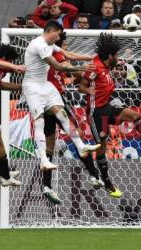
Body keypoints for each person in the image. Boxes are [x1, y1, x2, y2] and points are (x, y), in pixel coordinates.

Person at [78, 33, 141, 198]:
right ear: (110, 56)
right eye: (117, 55)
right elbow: (81, 86)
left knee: (136, 116)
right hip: (95, 112)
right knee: (101, 146)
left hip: (107, 107)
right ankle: (107, 182)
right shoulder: (95, 68)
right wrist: (88, 90)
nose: (118, 58)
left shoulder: (107, 67)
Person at [22, 20, 100, 173]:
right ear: (51, 31)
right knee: (39, 121)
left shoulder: (50, 43)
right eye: (57, 35)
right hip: (32, 87)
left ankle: (81, 146)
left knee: (62, 114)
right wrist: (81, 67)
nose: (58, 38)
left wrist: (89, 58)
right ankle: (44, 160)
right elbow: (57, 66)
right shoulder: (39, 45)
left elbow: (67, 54)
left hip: (45, 85)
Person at [42, 32, 103, 204]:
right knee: (77, 137)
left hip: (43, 103)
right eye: (66, 45)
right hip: (57, 100)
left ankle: (46, 185)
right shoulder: (57, 54)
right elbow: (67, 64)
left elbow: (71, 74)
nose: (67, 48)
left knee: (49, 144)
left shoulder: (45, 56)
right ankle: (94, 175)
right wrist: (85, 69)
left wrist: (76, 77)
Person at [0, 45, 25, 186]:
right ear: (5, 58)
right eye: (11, 61)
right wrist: (17, 67)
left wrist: (21, 87)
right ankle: (6, 176)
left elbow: (1, 85)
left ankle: (3, 173)